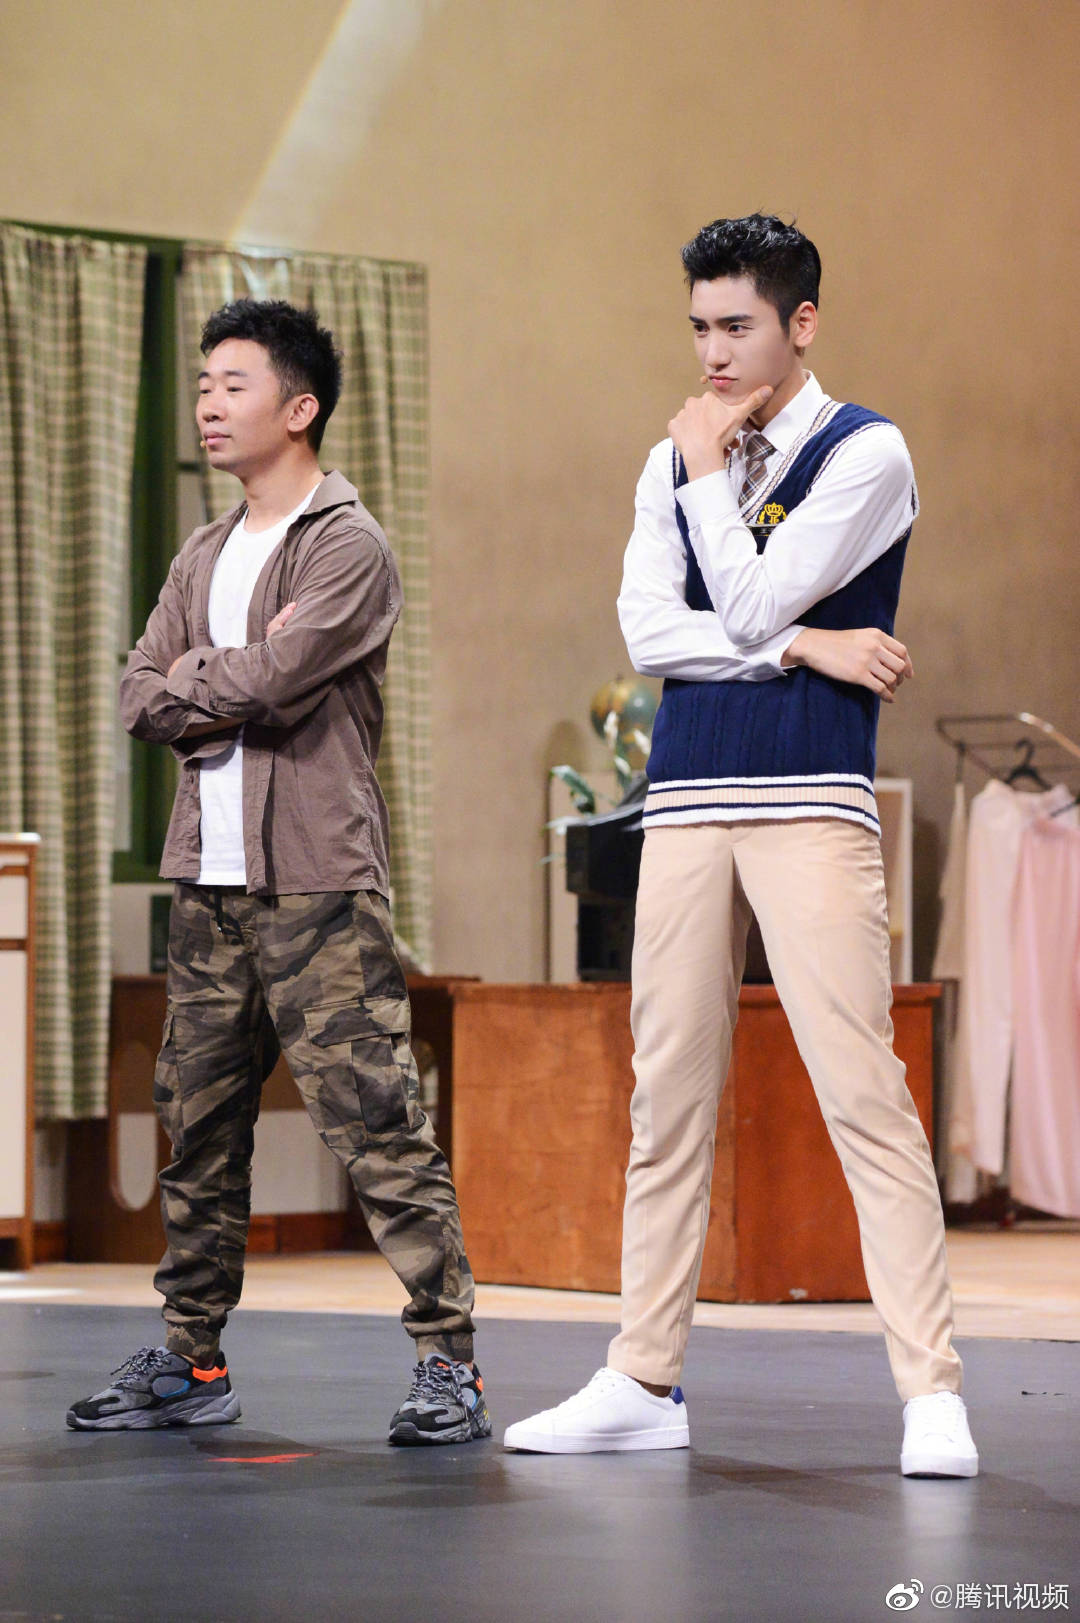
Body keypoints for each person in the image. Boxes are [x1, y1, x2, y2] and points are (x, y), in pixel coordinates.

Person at [504, 214, 977, 1477]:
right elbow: (649, 634)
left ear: (800, 324)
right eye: (699, 328)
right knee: (666, 1097)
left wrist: (718, 498)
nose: (712, 354)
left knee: (863, 1092)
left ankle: (931, 1391)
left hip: (810, 797)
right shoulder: (670, 460)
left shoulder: (866, 451)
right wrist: (810, 645)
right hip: (685, 799)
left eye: (738, 327)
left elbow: (749, 594)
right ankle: (642, 1377)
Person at [68, 299, 489, 1447]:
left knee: (376, 1123)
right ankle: (190, 1361)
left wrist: (207, 678)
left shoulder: (347, 543)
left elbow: (275, 679)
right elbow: (138, 693)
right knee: (197, 1126)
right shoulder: (204, 552)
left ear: (299, 408)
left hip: (315, 880)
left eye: (234, 383)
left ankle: (450, 1366)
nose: (208, 402)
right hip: (206, 881)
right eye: (204, 383)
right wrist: (227, 673)